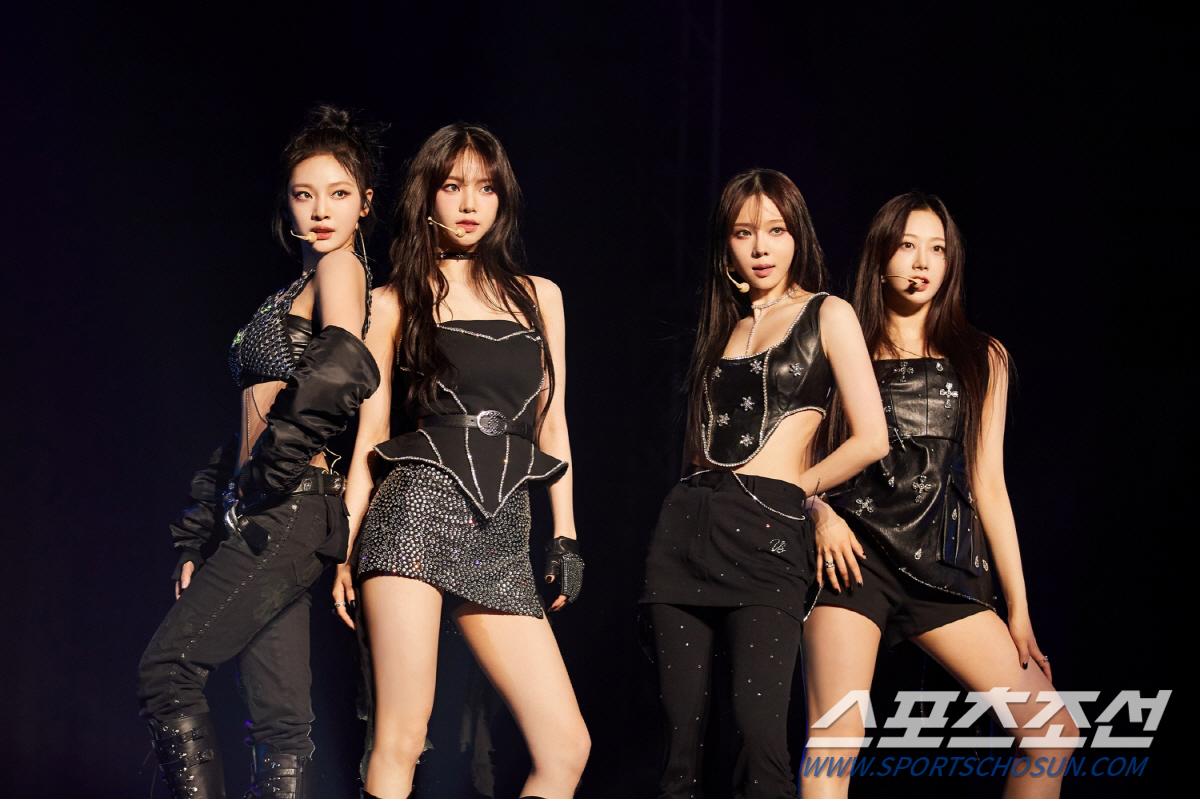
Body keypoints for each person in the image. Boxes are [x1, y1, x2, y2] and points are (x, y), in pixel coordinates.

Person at [332, 123, 590, 799]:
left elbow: (553, 421)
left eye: (486, 187)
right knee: (401, 736)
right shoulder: (392, 300)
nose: (471, 203)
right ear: (428, 197)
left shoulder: (540, 296)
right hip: (414, 514)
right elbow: (371, 435)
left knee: (566, 747)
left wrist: (565, 533)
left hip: (503, 528)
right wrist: (343, 546)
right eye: (453, 186)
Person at [136, 105, 383, 799]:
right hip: (267, 509)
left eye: (339, 193)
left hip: (290, 506)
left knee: (167, 671)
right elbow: (243, 426)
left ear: (366, 203)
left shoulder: (341, 268)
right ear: (287, 204)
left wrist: (266, 478)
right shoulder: (289, 289)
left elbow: (343, 365)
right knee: (280, 723)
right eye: (305, 194)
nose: (321, 210)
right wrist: (207, 528)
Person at [801, 192, 1079, 798]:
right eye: (907, 246)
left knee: (1052, 732)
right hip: (853, 559)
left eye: (938, 249)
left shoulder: (982, 357)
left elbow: (990, 486)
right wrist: (819, 514)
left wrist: (1019, 609)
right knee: (833, 745)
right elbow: (798, 468)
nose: (922, 262)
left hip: (945, 568)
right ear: (880, 259)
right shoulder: (839, 346)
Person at [639, 168, 890, 799]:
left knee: (759, 741)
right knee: (678, 752)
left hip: (769, 533)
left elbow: (872, 438)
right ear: (726, 245)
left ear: (797, 236)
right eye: (743, 232)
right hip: (686, 528)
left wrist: (799, 493)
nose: (760, 248)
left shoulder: (828, 313)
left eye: (776, 231)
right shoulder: (722, 326)